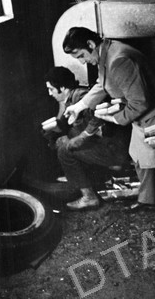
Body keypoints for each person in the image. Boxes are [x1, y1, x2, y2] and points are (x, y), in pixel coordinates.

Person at [63, 27, 155, 235]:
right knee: (138, 157)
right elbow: (102, 84)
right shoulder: (106, 52)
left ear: (90, 44)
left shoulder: (118, 60)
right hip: (141, 117)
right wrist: (79, 106)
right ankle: (148, 200)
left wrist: (113, 118)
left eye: (81, 55)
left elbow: (140, 102)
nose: (82, 62)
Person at [43, 66, 130, 210]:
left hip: (114, 150)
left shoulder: (81, 96)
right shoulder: (68, 99)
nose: (50, 93)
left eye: (51, 89)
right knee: (63, 140)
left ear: (62, 87)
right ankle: (77, 179)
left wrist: (83, 136)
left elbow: (98, 116)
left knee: (64, 151)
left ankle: (89, 197)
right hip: (105, 145)